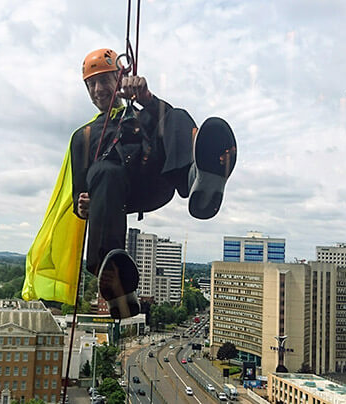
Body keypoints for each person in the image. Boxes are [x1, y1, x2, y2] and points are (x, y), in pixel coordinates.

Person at [68, 48, 237, 319]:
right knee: (103, 170)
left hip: (154, 183)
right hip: (114, 196)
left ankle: (196, 179)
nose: (98, 89)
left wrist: (146, 99)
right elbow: (78, 197)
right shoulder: (84, 138)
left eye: (105, 80)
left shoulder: (140, 116)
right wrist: (83, 205)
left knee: (174, 114)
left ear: (119, 79)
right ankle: (115, 283)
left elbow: (167, 121)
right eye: (92, 84)